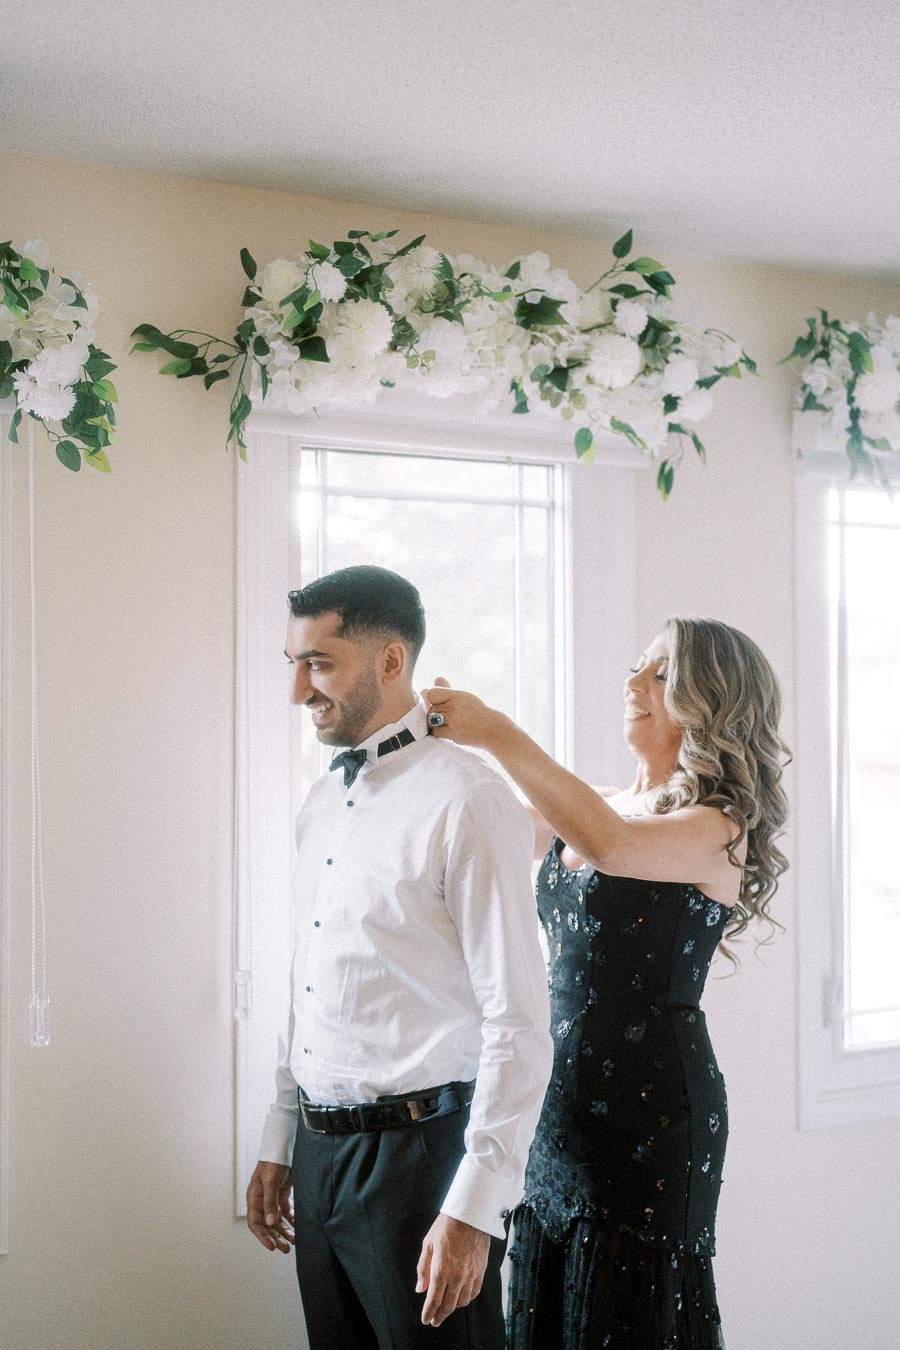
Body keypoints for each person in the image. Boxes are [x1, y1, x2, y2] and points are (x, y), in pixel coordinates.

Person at [423, 617, 790, 1350]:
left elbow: (609, 845)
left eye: (660, 673)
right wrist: (415, 734)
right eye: (637, 667)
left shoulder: (720, 827)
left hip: (651, 1115)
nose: (633, 685)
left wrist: (495, 731)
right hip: (551, 1104)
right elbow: (483, 830)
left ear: (712, 698)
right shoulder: (595, 802)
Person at [245, 564, 553, 1350]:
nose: (299, 692)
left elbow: (518, 1021)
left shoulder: (469, 801)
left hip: (421, 1167)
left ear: (390, 662)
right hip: (317, 1163)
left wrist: (475, 1207)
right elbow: (308, 981)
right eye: (295, 665)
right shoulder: (319, 805)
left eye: (319, 664)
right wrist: (280, 1143)